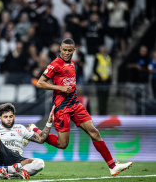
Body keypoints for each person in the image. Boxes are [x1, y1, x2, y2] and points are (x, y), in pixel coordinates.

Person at [30, 38, 132, 176]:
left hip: (75, 104)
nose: (66, 52)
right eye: (64, 50)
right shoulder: (55, 64)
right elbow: (40, 83)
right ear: (60, 49)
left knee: (94, 132)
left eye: (69, 50)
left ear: (74, 50)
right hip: (62, 108)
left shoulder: (72, 63)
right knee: (62, 144)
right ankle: (34, 131)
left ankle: (112, 166)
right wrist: (60, 87)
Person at [0, 103, 55, 176]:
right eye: (5, 117)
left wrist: (49, 122)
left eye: (11, 116)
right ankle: (12, 171)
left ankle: (12, 172)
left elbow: (41, 139)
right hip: (2, 162)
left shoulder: (20, 128)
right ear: (0, 118)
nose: (8, 119)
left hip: (18, 161)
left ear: (14, 117)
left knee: (40, 163)